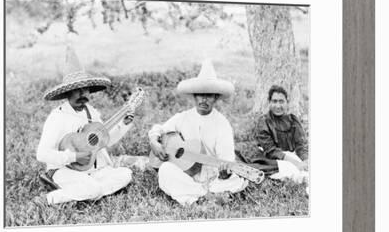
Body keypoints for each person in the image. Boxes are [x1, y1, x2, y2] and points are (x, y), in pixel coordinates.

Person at [36, 44, 134, 205]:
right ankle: (50, 198)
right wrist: (74, 156)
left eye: (86, 89)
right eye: (77, 90)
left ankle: (84, 191)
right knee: (94, 190)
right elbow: (42, 154)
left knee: (125, 174)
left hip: (91, 170)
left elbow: (103, 141)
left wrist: (123, 124)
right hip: (64, 169)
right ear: (68, 92)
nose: (83, 95)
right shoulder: (57, 117)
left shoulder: (92, 112)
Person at [148, 59, 248, 206]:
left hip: (213, 176)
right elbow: (159, 128)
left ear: (215, 98)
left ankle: (194, 195)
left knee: (234, 181)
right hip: (187, 173)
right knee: (165, 170)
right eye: (200, 95)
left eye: (209, 95)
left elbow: (226, 159)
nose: (204, 100)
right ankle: (206, 195)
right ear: (194, 96)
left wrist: (224, 173)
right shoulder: (183, 117)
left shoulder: (222, 124)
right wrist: (154, 142)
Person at [254, 85, 309, 183]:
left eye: (281, 101)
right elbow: (271, 151)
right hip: (273, 159)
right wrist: (296, 163)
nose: (278, 106)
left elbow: (300, 145)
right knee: (292, 171)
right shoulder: (264, 122)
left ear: (287, 102)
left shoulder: (293, 120)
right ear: (269, 102)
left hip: (292, 156)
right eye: (274, 101)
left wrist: (305, 160)